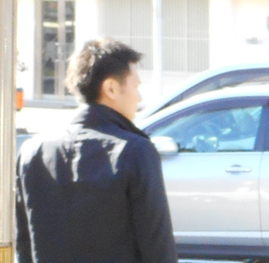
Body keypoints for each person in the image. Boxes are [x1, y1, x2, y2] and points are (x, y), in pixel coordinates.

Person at [15, 37, 178, 263]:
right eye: (136, 86)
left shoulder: (32, 152)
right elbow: (158, 248)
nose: (139, 97)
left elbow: (24, 245)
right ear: (111, 88)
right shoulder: (135, 151)